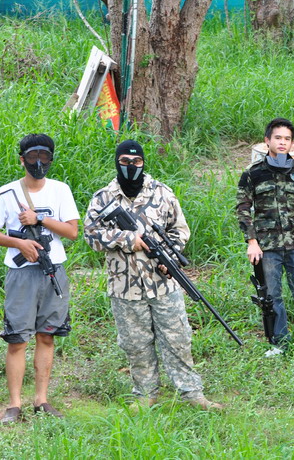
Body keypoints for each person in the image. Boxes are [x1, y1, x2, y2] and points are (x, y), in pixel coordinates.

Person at [84, 140, 222, 410]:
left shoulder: (162, 193)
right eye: (125, 161)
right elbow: (91, 235)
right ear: (117, 162)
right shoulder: (103, 198)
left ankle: (192, 394)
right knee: (135, 344)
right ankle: (145, 395)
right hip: (125, 286)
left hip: (163, 284)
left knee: (178, 338)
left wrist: (171, 258)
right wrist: (128, 240)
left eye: (136, 161)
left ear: (143, 162)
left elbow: (179, 230)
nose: (131, 166)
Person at [0, 133, 80, 424]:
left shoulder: (60, 190)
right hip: (21, 273)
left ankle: (41, 400)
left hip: (53, 270)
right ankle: (14, 405)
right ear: (22, 159)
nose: (39, 163)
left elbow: (72, 231)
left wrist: (40, 219)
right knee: (17, 340)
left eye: (44, 156)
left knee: (47, 336)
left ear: (51, 159)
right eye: (33, 156)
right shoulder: (6, 193)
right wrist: (19, 244)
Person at [236, 118, 294, 362]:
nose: (282, 142)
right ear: (267, 140)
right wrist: (251, 241)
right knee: (272, 297)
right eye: (278, 137)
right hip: (267, 248)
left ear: (292, 143)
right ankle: (279, 343)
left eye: (287, 139)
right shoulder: (253, 174)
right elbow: (243, 209)